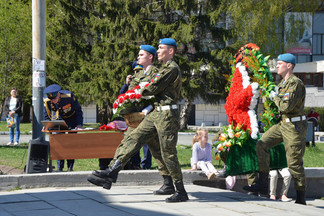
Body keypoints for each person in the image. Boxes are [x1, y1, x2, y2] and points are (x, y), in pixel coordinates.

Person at [88, 38, 189, 202]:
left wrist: (132, 95)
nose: (158, 51)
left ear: (171, 51)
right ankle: (112, 172)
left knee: (167, 153)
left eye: (161, 48)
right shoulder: (163, 68)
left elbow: (152, 88)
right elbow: (148, 87)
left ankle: (180, 190)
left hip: (167, 115)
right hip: (156, 113)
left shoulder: (171, 68)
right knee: (134, 138)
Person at [243, 53, 308, 205]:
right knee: (262, 143)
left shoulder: (295, 83)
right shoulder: (282, 84)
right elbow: (280, 105)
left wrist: (275, 97)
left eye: (280, 63)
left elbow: (286, 106)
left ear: (289, 66)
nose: (277, 66)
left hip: (294, 126)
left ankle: (301, 197)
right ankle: (263, 184)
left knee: (294, 163)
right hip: (283, 124)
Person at [43, 84, 83, 172]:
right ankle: (59, 168)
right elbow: (46, 116)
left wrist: (79, 124)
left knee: (71, 144)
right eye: (51, 99)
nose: (53, 101)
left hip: (72, 120)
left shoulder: (69, 96)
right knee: (60, 144)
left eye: (54, 99)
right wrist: (47, 125)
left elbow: (78, 110)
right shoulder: (47, 101)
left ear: (58, 95)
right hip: (59, 121)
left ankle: (70, 167)